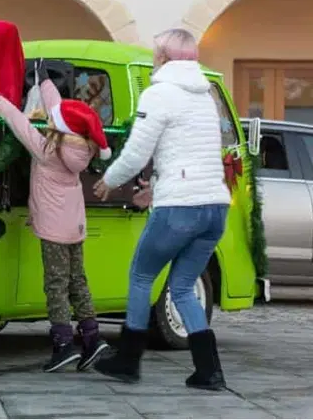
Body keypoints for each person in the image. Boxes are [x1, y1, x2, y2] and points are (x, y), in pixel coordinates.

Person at [91, 28, 231, 391]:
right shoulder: (205, 96)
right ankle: (209, 371)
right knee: (183, 287)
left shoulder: (160, 93)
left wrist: (110, 179)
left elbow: (138, 152)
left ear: (165, 58)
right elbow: (194, 158)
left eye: (156, 53)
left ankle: (128, 361)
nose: (154, 58)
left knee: (141, 276)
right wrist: (156, 188)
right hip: (214, 207)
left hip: (180, 209)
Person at [0, 62, 111, 372]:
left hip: (52, 228)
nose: (52, 118)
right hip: (75, 225)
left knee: (55, 285)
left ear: (61, 128)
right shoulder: (81, 145)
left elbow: (19, 124)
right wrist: (45, 81)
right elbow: (61, 109)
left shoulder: (46, 150)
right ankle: (92, 339)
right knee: (78, 281)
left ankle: (63, 345)